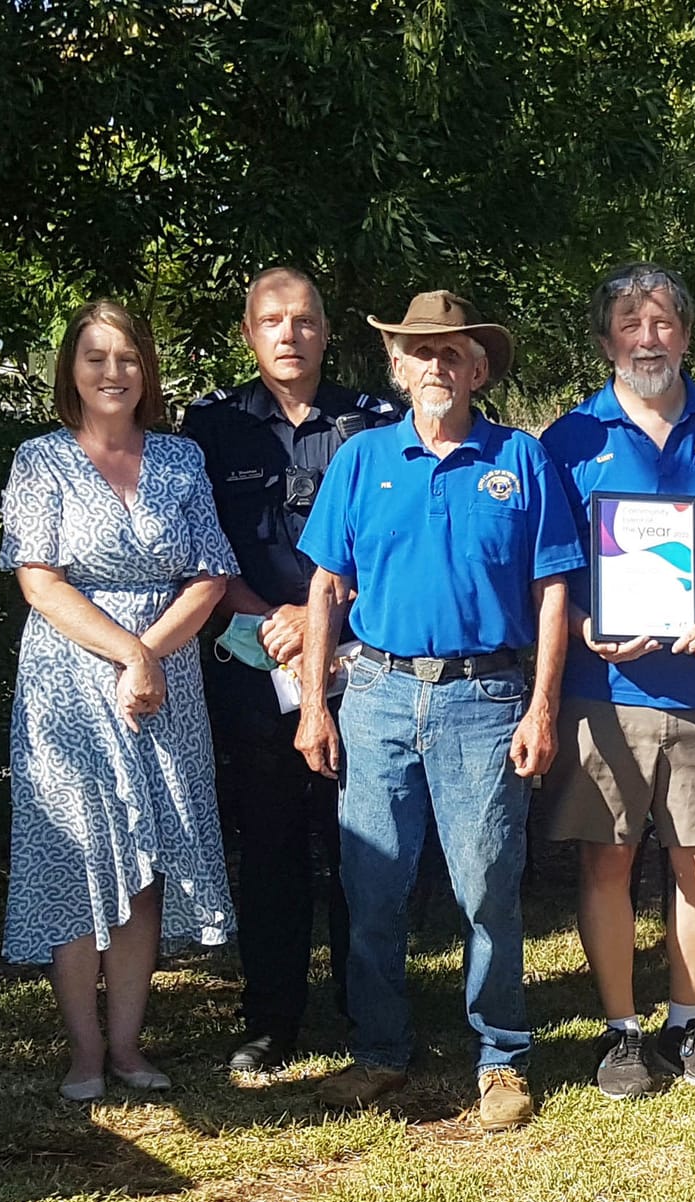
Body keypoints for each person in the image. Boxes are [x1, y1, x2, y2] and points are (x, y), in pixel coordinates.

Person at [294, 291, 583, 1129]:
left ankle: (502, 1055)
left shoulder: (521, 459)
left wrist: (543, 709)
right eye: (419, 352)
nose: (435, 367)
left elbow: (553, 590)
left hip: (487, 699)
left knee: (487, 884)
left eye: (452, 353)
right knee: (371, 884)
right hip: (378, 696)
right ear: (396, 366)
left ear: (478, 368)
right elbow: (325, 587)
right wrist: (315, 706)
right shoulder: (360, 460)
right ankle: (380, 1052)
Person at [0, 299, 239, 1101]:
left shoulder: (180, 460)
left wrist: (152, 655)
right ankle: (85, 1054)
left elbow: (209, 573)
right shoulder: (41, 460)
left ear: (147, 371)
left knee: (143, 868)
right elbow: (39, 578)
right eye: (96, 357)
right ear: (71, 369)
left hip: (165, 682)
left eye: (127, 357)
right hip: (69, 682)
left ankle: (130, 1047)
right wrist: (128, 652)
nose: (112, 372)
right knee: (77, 857)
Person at [540, 264, 695, 1097]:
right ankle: (621, 1032)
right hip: (607, 696)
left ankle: (687, 1019)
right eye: (631, 323)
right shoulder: (568, 441)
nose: (648, 337)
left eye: (664, 321)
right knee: (607, 861)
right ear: (606, 341)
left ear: (687, 334)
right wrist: (580, 628)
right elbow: (545, 573)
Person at [184, 267, 399, 1074]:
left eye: (304, 320)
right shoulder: (210, 428)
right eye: (272, 320)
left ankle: (366, 1009)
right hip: (251, 657)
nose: (288, 334)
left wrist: (318, 618)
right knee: (270, 842)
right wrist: (271, 616)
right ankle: (271, 1019)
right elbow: (198, 544)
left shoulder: (374, 422)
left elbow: (391, 541)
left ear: (324, 331)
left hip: (354, 657)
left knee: (360, 842)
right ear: (249, 332)